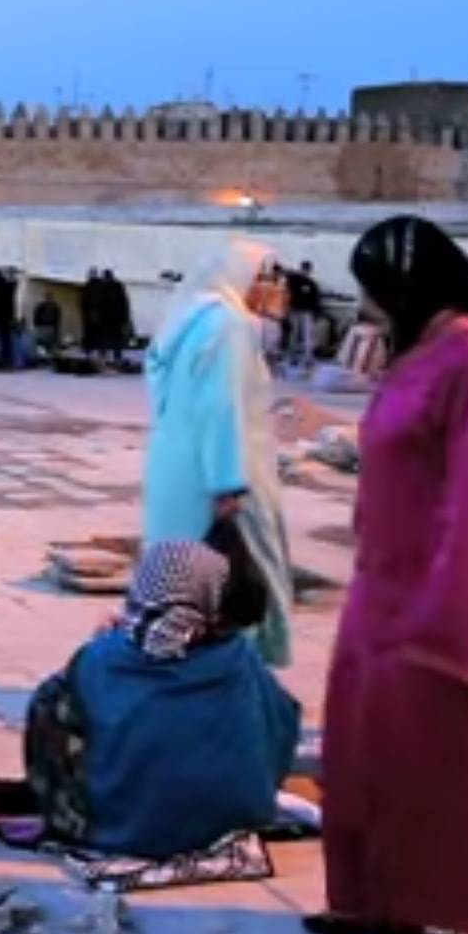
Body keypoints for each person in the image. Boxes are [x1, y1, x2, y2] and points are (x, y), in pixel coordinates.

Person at [313, 216, 468, 934]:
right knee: (363, 746)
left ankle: (462, 900)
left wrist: (454, 611)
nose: (367, 305)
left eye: (375, 288)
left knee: (435, 756)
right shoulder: (416, 355)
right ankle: (372, 900)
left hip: (438, 591)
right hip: (380, 587)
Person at [24, 524, 299, 858]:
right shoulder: (242, 657)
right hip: (238, 821)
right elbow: (286, 719)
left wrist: (103, 643)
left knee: (52, 702)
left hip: (130, 831)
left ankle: (78, 819)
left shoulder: (100, 660)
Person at [142, 240, 294, 667]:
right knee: (240, 574)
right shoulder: (230, 324)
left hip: (177, 466)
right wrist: (228, 481)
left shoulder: (187, 320)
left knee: (178, 573)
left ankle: (175, 659)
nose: (273, 289)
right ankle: (234, 670)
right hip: (222, 468)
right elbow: (220, 404)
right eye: (266, 277)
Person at [283, 260, 323, 374]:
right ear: (301, 269)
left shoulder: (312, 284)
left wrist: (316, 313)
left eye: (307, 269)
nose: (305, 271)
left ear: (310, 271)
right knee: (294, 334)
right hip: (295, 311)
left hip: (307, 312)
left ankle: (308, 358)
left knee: (307, 335)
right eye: (304, 269)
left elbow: (316, 300)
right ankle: (292, 357)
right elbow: (286, 273)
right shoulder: (294, 280)